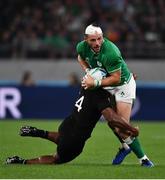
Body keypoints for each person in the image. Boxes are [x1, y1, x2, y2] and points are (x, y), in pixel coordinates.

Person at [76, 24, 154, 167]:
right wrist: (88, 71)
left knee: (121, 129)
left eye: (99, 39)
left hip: (123, 85)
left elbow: (116, 78)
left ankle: (144, 160)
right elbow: (80, 58)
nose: (97, 43)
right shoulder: (81, 47)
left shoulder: (111, 51)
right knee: (112, 122)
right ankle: (126, 147)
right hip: (106, 85)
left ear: (103, 37)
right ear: (86, 39)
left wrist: (95, 82)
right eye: (93, 40)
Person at [6, 87, 138, 165]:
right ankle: (22, 161)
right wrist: (132, 129)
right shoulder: (99, 96)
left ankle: (38, 132)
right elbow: (112, 118)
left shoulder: (86, 87)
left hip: (67, 125)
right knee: (56, 159)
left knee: (63, 138)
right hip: (75, 138)